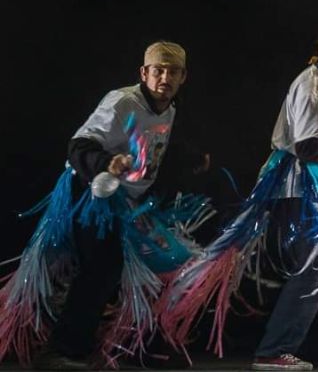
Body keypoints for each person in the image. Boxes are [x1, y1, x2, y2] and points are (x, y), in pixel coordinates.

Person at [160, 22, 318, 371]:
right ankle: (274, 350)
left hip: (305, 192)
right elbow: (309, 148)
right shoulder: (312, 86)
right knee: (317, 263)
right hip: (292, 192)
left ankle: (306, 346)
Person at [0, 41, 213, 369]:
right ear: (144, 72)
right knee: (103, 267)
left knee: (166, 265)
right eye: (158, 70)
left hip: (130, 204)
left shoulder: (171, 109)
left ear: (184, 76)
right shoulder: (122, 102)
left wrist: (193, 160)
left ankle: (140, 347)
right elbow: (79, 144)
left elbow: (155, 149)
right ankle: (62, 350)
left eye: (173, 72)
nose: (165, 78)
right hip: (90, 195)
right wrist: (106, 163)